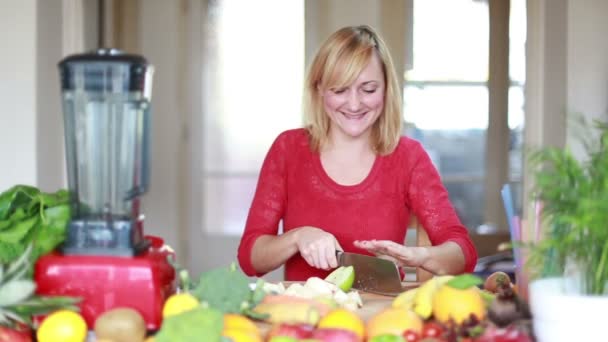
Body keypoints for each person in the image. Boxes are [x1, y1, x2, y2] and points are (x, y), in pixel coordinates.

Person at [237, 25, 477, 281]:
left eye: (369, 89)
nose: (354, 104)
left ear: (386, 88)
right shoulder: (288, 149)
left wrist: (420, 257)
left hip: (381, 317)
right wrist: (297, 237)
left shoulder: (409, 157)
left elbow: (464, 253)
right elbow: (251, 259)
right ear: (319, 89)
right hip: (306, 315)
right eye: (340, 90)